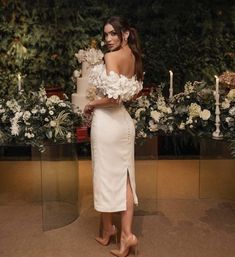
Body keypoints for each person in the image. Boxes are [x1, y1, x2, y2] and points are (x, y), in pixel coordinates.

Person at [84, 16, 143, 257]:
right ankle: (121, 233)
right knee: (125, 177)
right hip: (124, 123)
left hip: (108, 123)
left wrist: (90, 104)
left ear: (125, 34)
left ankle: (116, 231)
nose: (108, 39)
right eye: (105, 34)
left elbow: (112, 99)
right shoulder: (133, 57)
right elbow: (132, 95)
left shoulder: (110, 57)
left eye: (113, 34)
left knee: (105, 176)